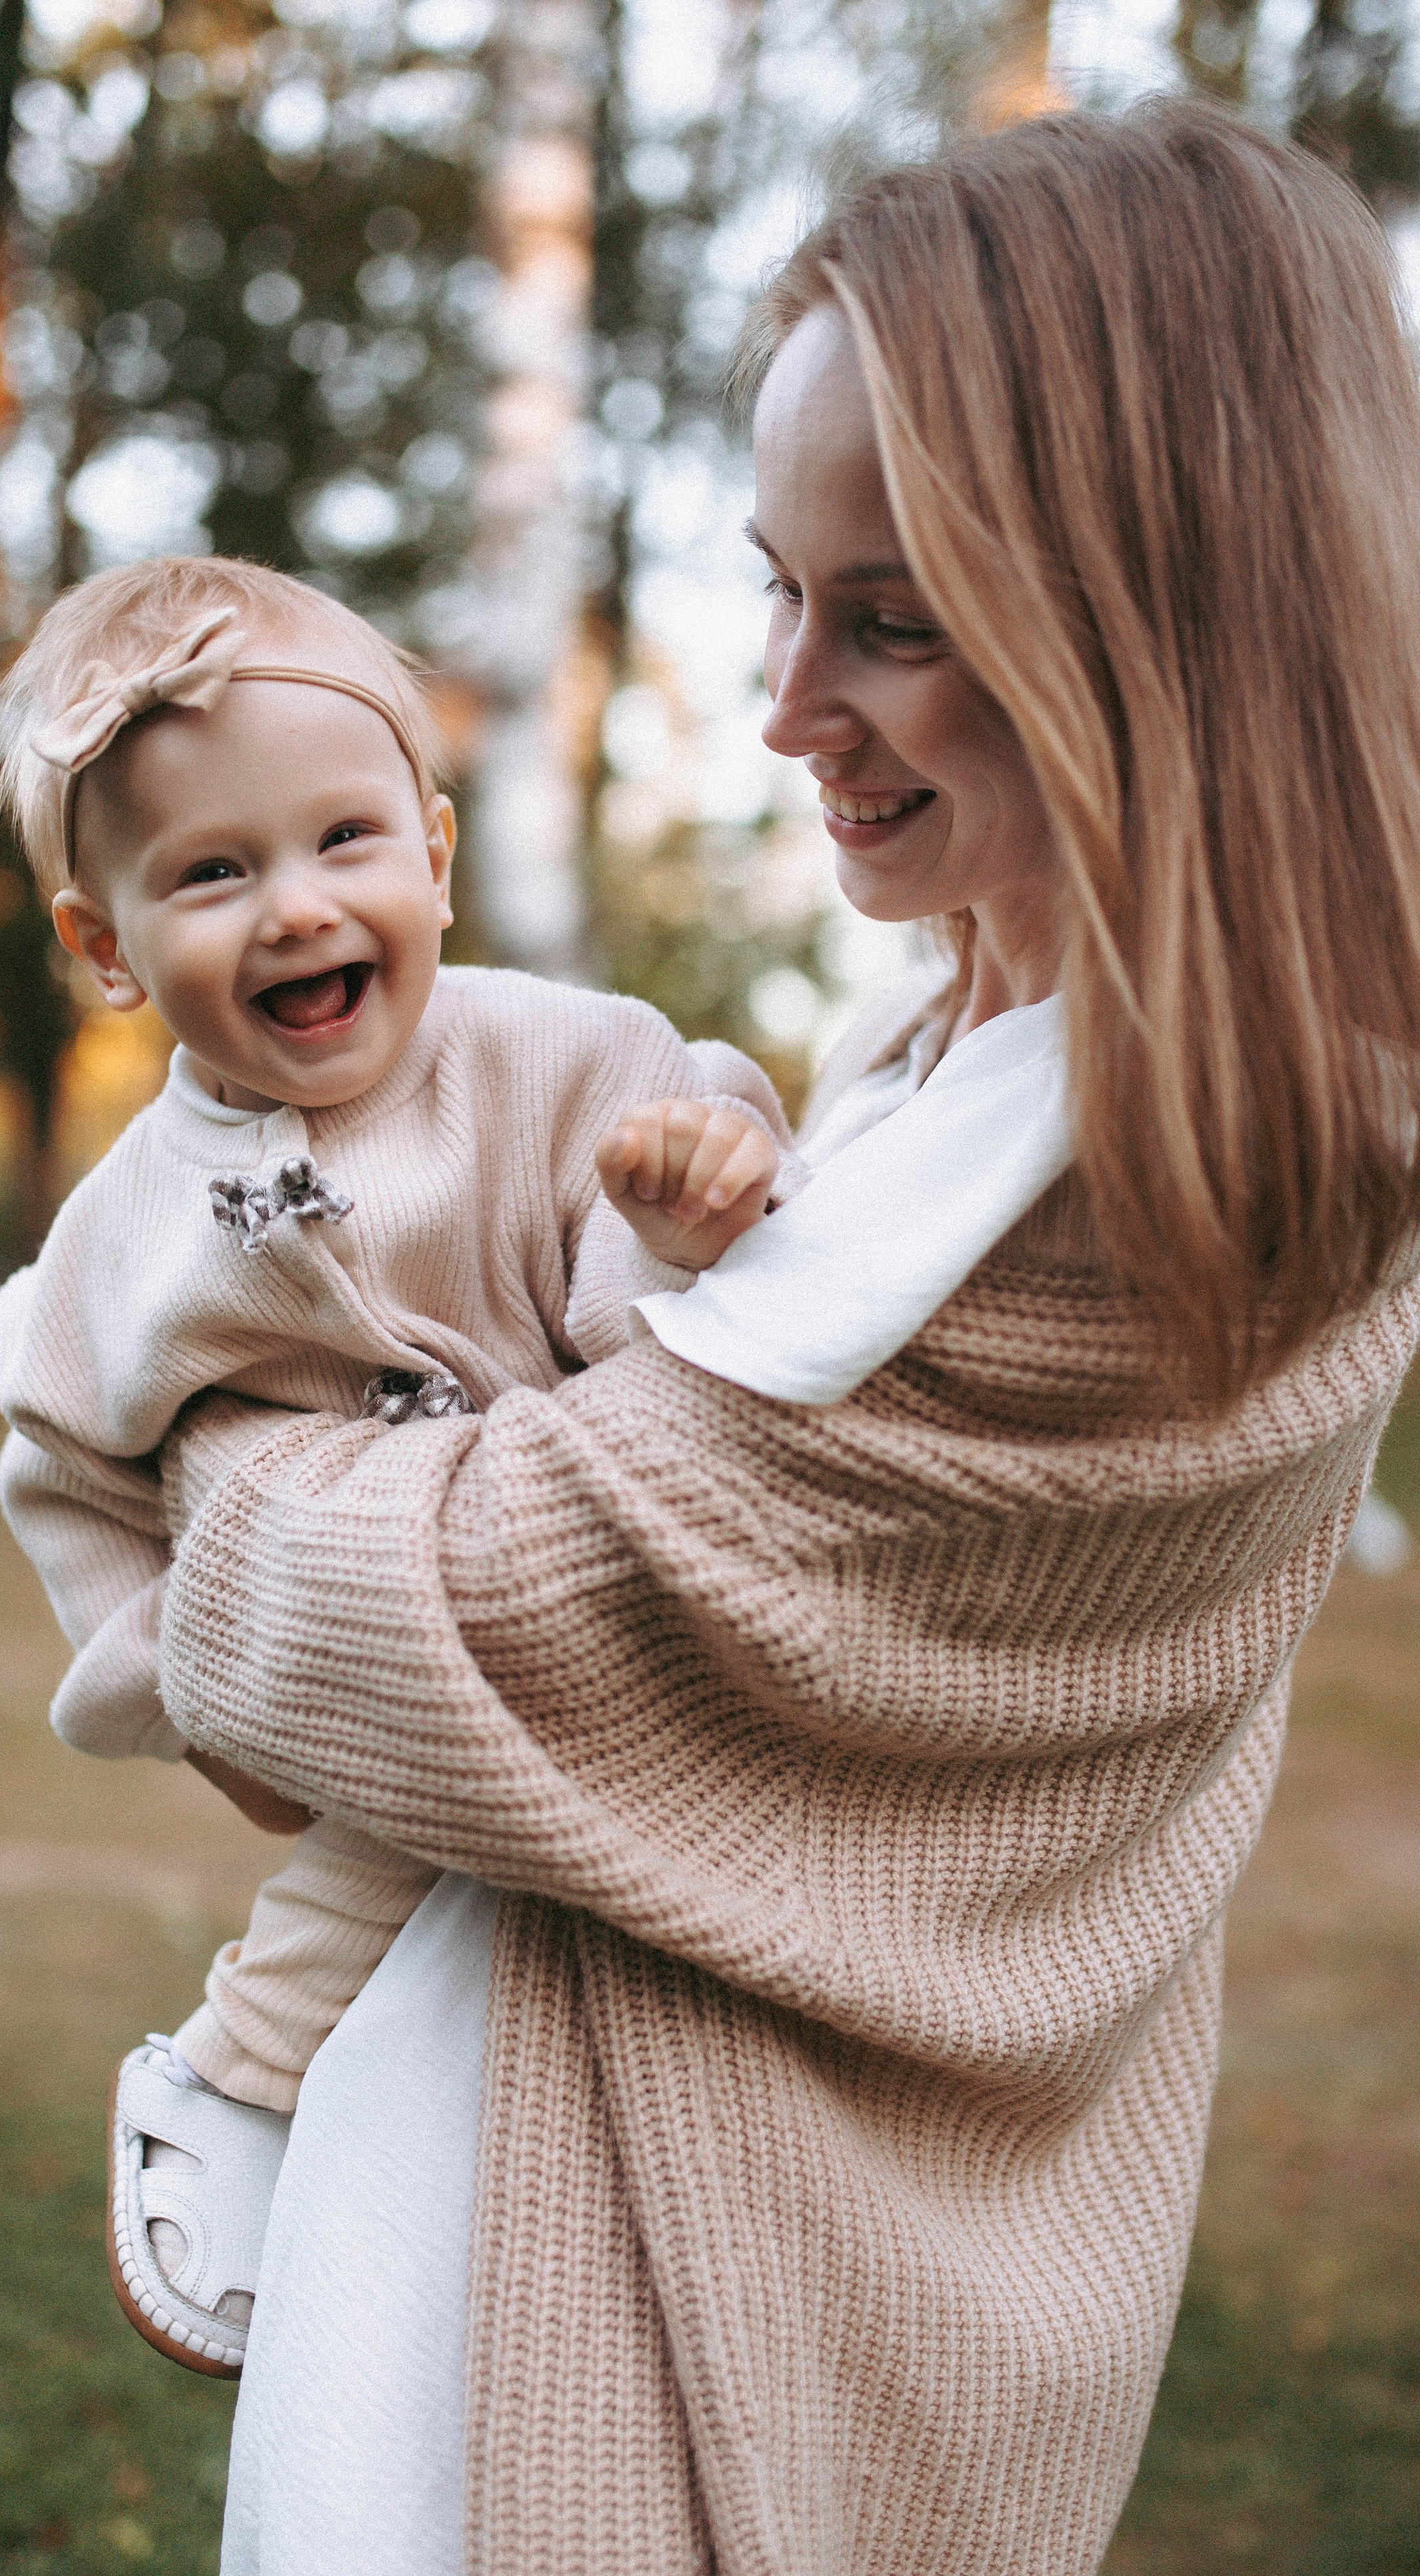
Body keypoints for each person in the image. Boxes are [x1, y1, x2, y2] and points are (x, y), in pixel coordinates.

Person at [149, 102, 1420, 2576]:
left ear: (1159, 626)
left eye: (896, 616)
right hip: (600, 2268)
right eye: (776, 590)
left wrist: (208, 1439)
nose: (782, 703)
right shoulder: (954, 1068)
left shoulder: (1131, 1237)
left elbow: (389, 1633)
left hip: (638, 2370)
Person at [0, 553, 804, 2373]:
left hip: (597, 1571)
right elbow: (62, 1465)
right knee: (365, 1878)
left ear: (430, 853)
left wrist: (686, 1208)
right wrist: (196, 1690)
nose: (295, 908)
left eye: (343, 840)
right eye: (211, 871)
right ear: (104, 942)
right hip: (361, 1664)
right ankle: (241, 2077)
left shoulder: (555, 1054)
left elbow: (686, 1173)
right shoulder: (118, 1244)